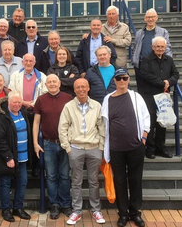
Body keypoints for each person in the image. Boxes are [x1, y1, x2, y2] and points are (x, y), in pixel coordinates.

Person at [101, 68, 150, 227]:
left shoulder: (136, 97)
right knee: (120, 181)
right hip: (116, 149)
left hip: (135, 147)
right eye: (119, 78)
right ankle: (122, 214)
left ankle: (135, 213)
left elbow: (146, 117)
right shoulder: (108, 99)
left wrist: (143, 138)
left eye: (125, 78)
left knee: (135, 180)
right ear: (114, 81)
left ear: (128, 79)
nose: (122, 81)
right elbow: (104, 124)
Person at [58, 78, 106, 225]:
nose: (81, 89)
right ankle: (76, 211)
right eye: (78, 87)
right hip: (75, 149)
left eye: (83, 87)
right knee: (76, 182)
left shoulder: (97, 105)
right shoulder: (68, 107)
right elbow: (62, 128)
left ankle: (96, 210)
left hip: (94, 148)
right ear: (74, 90)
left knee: (94, 181)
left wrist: (101, 146)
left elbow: (102, 127)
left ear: (88, 88)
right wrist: (67, 148)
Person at [33, 74, 73, 219]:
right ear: (46, 84)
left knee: (64, 176)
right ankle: (54, 204)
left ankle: (66, 203)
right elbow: (36, 122)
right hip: (48, 143)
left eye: (54, 81)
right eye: (49, 82)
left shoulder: (68, 98)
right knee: (50, 176)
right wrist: (36, 143)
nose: (52, 84)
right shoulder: (41, 100)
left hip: (65, 143)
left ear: (59, 83)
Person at [0, 91, 33, 222]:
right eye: (14, 102)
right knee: (5, 184)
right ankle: (6, 210)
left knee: (22, 183)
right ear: (8, 102)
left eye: (19, 102)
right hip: (9, 159)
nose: (17, 104)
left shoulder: (24, 113)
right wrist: (8, 158)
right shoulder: (2, 117)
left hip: (23, 157)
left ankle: (18, 208)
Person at [138, 36, 179, 159]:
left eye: (162, 47)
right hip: (149, 95)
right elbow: (145, 75)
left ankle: (161, 148)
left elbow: (176, 74)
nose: (160, 49)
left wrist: (169, 82)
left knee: (163, 121)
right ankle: (150, 149)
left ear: (165, 48)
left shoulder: (169, 60)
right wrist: (162, 83)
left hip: (163, 96)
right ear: (153, 47)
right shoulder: (146, 60)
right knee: (150, 122)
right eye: (158, 46)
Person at [132, 8, 172, 74]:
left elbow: (167, 49)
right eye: (148, 17)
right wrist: (134, 61)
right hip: (141, 66)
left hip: (157, 65)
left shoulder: (163, 32)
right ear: (145, 18)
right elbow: (135, 49)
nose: (150, 19)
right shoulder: (139, 33)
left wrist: (167, 64)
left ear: (156, 18)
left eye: (152, 17)